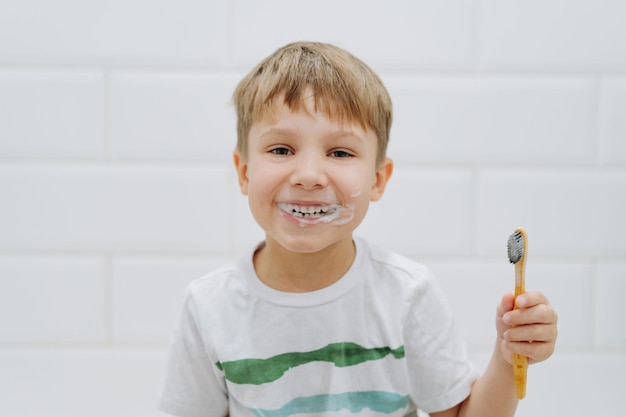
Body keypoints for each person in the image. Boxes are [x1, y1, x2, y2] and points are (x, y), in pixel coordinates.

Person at [157, 41, 558, 417]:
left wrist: (507, 360)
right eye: (281, 149)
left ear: (377, 180)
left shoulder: (407, 295)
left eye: (340, 152)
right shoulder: (209, 306)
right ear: (244, 172)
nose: (309, 175)